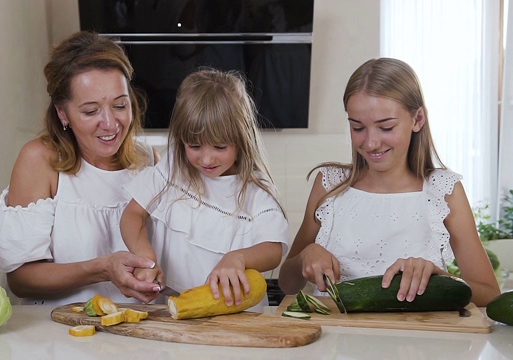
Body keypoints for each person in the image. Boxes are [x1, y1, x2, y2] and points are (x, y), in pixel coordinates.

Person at [278, 58, 501, 307]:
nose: (371, 143)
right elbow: (287, 284)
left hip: (417, 342)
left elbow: (490, 294)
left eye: (386, 127)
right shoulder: (329, 185)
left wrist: (443, 279)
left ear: (417, 119)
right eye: (358, 127)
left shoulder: (443, 191)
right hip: (334, 340)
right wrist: (303, 259)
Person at [0, 31, 162, 306]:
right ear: (63, 113)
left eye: (120, 105)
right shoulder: (40, 160)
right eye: (91, 111)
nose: (110, 123)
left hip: (135, 332)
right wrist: (102, 268)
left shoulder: (149, 161)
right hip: (58, 336)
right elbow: (21, 280)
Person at [120, 68, 290, 309]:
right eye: (195, 146)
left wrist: (237, 257)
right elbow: (133, 214)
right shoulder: (173, 167)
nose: (207, 159)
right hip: (172, 309)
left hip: (233, 315)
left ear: (241, 140)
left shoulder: (255, 190)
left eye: (220, 147)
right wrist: (145, 256)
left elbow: (273, 249)